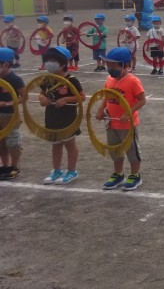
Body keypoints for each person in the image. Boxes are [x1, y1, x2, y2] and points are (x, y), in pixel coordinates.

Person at [95, 47, 147, 191]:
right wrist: (100, 109)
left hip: (127, 125)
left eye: (113, 65)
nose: (110, 68)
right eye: (108, 65)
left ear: (126, 65)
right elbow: (106, 96)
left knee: (132, 152)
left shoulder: (133, 81)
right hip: (111, 123)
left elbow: (142, 100)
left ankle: (135, 175)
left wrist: (128, 113)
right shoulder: (109, 79)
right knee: (115, 151)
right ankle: (118, 174)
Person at [39, 46, 85, 185]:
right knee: (56, 144)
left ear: (63, 63)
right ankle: (57, 170)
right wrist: (42, 98)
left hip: (67, 118)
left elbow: (82, 97)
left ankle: (72, 171)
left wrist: (66, 99)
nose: (49, 63)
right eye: (47, 60)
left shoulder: (72, 80)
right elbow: (42, 93)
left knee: (69, 144)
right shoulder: (47, 79)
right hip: (51, 117)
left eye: (53, 60)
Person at [0, 47, 25, 180]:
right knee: (1, 142)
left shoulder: (15, 79)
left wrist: (8, 103)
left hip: (10, 115)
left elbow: (24, 97)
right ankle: (5, 165)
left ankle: (14, 166)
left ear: (5, 64)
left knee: (13, 142)